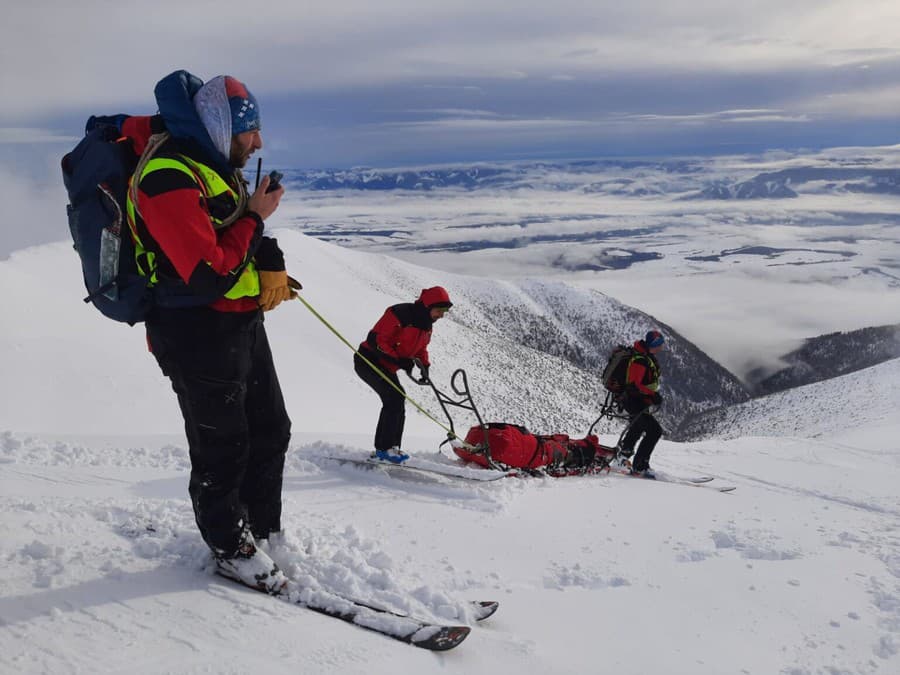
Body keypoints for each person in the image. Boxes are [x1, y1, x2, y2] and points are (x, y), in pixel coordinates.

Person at [124, 70, 299, 592]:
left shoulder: (211, 167)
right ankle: (229, 547)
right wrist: (258, 218)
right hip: (194, 332)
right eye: (251, 129)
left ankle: (262, 531)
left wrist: (269, 259)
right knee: (223, 446)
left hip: (238, 323)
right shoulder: (166, 176)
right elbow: (204, 272)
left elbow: (232, 234)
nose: (259, 142)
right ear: (221, 125)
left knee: (271, 429)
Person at [354, 287, 453, 463]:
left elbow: (421, 348)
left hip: (388, 366)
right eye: (439, 311)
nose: (441, 315)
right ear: (427, 306)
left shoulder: (426, 326)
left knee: (398, 397)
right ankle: (384, 449)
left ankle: (392, 447)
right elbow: (376, 340)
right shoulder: (399, 313)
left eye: (444, 312)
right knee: (394, 398)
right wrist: (398, 360)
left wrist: (425, 366)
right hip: (368, 361)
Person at [616, 330, 665, 477]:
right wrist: (653, 395)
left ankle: (622, 456)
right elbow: (634, 385)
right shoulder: (640, 360)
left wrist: (650, 395)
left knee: (637, 426)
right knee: (655, 431)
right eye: (660, 344)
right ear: (653, 344)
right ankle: (640, 466)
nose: (662, 348)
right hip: (633, 400)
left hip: (636, 400)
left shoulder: (645, 356)